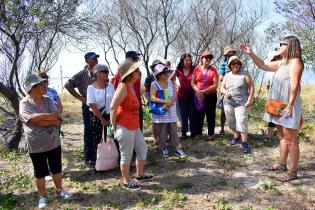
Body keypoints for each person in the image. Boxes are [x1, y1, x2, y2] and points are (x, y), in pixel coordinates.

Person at [240, 35, 304, 182]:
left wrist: (290, 106)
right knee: (282, 136)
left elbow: (294, 86)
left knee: (291, 139)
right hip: (277, 104)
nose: (279, 46)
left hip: (288, 106)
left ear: (290, 46)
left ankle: (292, 171)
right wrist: (250, 53)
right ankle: (281, 164)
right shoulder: (282, 63)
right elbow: (262, 65)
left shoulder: (296, 62)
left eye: (282, 44)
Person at [20, 74, 73, 209]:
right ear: (32, 87)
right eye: (42, 84)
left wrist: (43, 119)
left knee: (56, 169)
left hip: (53, 141)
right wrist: (49, 119)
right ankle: (42, 196)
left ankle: (59, 190)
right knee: (40, 172)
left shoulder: (49, 100)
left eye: (45, 83)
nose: (45, 86)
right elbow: (32, 120)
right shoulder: (25, 103)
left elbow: (57, 118)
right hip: (36, 144)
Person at [110, 60, 152, 190]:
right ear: (129, 74)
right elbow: (113, 107)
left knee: (142, 149)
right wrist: (113, 126)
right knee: (126, 155)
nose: (138, 72)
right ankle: (126, 181)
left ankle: (139, 175)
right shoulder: (122, 87)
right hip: (124, 126)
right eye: (135, 70)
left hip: (134, 126)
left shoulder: (132, 86)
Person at [64, 52, 99, 167]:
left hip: (100, 106)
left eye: (96, 58)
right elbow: (68, 85)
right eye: (93, 58)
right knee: (89, 130)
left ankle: (99, 154)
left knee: (99, 129)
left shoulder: (98, 72)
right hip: (88, 106)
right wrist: (80, 97)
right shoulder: (81, 74)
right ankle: (88, 157)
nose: (96, 60)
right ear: (87, 60)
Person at [150, 63, 187, 158]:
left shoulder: (170, 82)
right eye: (164, 72)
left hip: (171, 111)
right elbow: (152, 98)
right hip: (161, 112)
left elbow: (175, 94)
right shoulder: (154, 84)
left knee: (173, 130)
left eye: (167, 72)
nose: (167, 74)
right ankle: (163, 148)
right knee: (162, 131)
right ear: (158, 74)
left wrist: (171, 102)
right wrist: (165, 102)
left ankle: (176, 148)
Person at [220, 56, 254, 153]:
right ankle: (236, 137)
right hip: (228, 102)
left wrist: (250, 99)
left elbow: (251, 86)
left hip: (242, 102)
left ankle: (244, 143)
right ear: (230, 66)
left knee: (242, 121)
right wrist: (225, 93)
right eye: (233, 64)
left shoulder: (245, 73)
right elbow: (222, 88)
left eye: (237, 63)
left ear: (240, 65)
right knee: (232, 121)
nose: (235, 65)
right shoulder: (227, 75)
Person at [86, 64, 115, 165]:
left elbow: (115, 102)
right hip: (97, 117)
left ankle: (111, 161)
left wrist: (111, 118)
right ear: (97, 73)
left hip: (111, 117)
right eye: (105, 71)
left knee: (112, 139)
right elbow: (92, 105)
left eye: (107, 71)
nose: (107, 73)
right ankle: (99, 163)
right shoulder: (90, 88)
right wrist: (102, 119)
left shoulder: (111, 86)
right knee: (98, 141)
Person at [36, 71, 62, 181]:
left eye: (46, 79)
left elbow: (59, 104)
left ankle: (55, 170)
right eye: (42, 79)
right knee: (43, 147)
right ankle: (45, 171)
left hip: (55, 122)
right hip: (43, 123)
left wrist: (58, 115)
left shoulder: (52, 91)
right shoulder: (36, 94)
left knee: (54, 146)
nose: (45, 82)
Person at [111, 51, 144, 131]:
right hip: (126, 105)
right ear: (128, 59)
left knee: (139, 126)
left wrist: (141, 98)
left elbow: (138, 88)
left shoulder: (138, 72)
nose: (136, 59)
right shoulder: (120, 72)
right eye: (135, 58)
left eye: (137, 58)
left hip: (137, 102)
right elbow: (115, 88)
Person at [191, 51, 219, 141]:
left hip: (210, 96)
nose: (208, 60)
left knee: (210, 115)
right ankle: (198, 133)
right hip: (199, 95)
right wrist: (198, 91)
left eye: (210, 58)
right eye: (206, 58)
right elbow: (193, 82)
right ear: (201, 59)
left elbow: (215, 85)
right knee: (199, 114)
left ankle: (211, 134)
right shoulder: (196, 69)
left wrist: (203, 91)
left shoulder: (213, 70)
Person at [171, 53, 197, 138]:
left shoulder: (194, 69)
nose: (188, 62)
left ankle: (193, 132)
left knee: (192, 114)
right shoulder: (178, 70)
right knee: (183, 115)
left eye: (190, 60)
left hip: (192, 95)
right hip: (181, 96)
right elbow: (171, 79)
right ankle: (184, 132)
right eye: (186, 60)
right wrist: (175, 84)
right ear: (182, 61)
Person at [264, 50, 283, 141]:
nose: (277, 59)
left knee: (282, 116)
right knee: (271, 116)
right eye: (275, 58)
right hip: (272, 96)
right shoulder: (270, 71)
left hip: (283, 97)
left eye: (279, 57)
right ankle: (269, 136)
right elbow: (267, 85)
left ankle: (282, 137)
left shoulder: (285, 69)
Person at [218, 45, 237, 135]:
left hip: (237, 89)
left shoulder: (238, 62)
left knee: (237, 110)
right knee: (223, 110)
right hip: (226, 88)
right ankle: (222, 129)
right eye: (229, 54)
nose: (231, 55)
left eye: (232, 53)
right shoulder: (222, 63)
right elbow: (221, 77)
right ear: (226, 55)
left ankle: (237, 130)